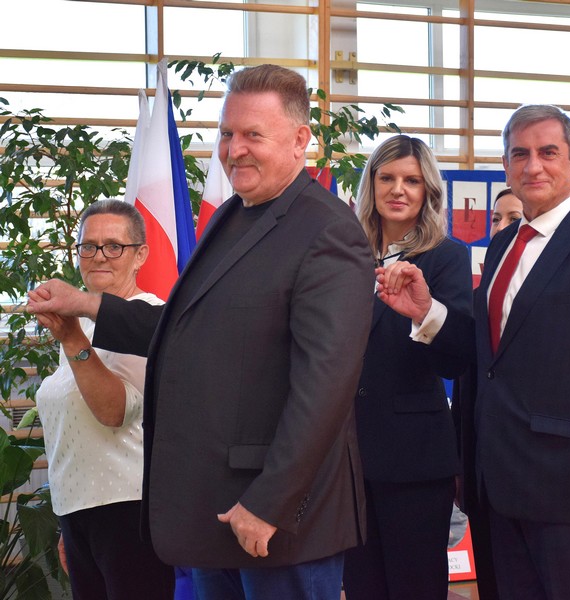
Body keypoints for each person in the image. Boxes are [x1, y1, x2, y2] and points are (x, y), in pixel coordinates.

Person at [28, 64, 375, 600]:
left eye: (253, 134)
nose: (235, 150)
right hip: (214, 514)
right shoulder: (230, 217)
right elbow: (181, 330)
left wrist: (270, 502)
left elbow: (325, 386)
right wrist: (86, 304)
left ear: (300, 140)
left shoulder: (328, 231)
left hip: (277, 521)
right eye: (227, 133)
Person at [377, 104, 570, 599]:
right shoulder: (504, 244)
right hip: (498, 481)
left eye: (548, 152)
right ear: (506, 166)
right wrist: (427, 311)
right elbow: (488, 354)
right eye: (520, 154)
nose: (533, 166)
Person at [341, 135, 472, 600]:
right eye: (388, 178)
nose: (398, 189)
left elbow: (459, 356)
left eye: (412, 181)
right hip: (345, 460)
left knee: (415, 588)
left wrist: (425, 312)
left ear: (428, 191)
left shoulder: (446, 256)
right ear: (371, 185)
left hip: (413, 460)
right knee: (361, 588)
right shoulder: (343, 255)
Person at [33, 200, 174, 600]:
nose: (99, 256)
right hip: (80, 511)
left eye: (114, 246)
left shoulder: (149, 318)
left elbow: (114, 412)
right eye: (88, 246)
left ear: (140, 255)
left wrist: (72, 340)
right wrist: (70, 521)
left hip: (130, 510)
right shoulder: (79, 323)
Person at [451, 186, 524, 600]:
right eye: (496, 219)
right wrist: (461, 465)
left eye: (514, 218)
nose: (501, 227)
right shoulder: (477, 299)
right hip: (483, 477)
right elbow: (465, 391)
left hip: (541, 478)